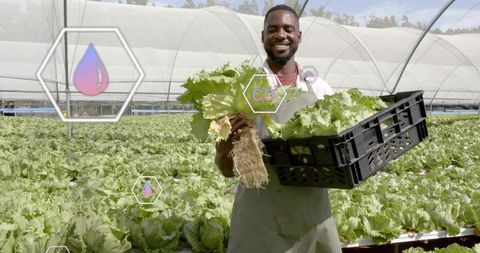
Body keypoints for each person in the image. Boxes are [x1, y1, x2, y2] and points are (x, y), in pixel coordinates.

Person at [215, 4, 343, 253]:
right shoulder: (240, 93)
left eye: (288, 29)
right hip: (259, 221)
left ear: (299, 36)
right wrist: (228, 141)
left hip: (312, 218)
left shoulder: (320, 90)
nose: (281, 35)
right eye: (272, 29)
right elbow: (225, 169)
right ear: (262, 36)